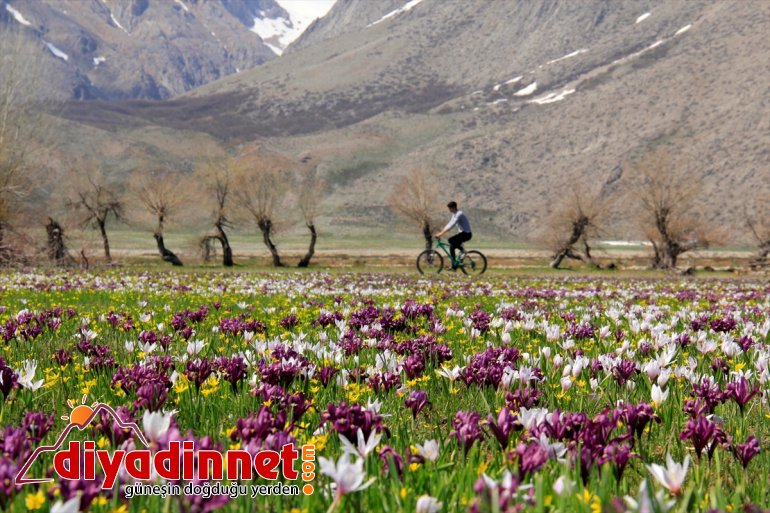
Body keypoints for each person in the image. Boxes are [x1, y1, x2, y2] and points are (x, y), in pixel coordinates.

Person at [434, 201, 472, 270]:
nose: (449, 210)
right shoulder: (454, 214)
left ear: (454, 207)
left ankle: (461, 253)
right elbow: (449, 223)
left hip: (466, 234)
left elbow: (452, 225)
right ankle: (454, 265)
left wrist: (441, 233)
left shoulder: (459, 214)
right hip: (463, 233)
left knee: (451, 242)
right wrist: (441, 232)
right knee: (451, 245)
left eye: (450, 208)